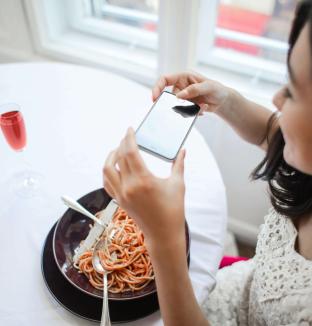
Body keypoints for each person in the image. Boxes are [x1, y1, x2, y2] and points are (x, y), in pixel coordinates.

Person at [102, 0, 312, 324]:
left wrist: (163, 239)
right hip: (243, 292)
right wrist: (225, 100)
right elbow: (272, 134)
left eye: (294, 92)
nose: (276, 99)